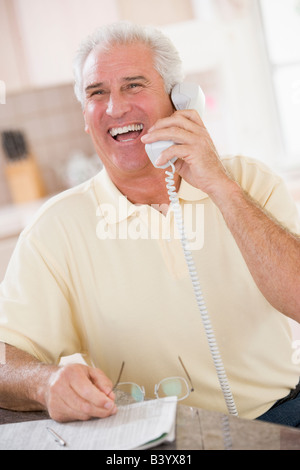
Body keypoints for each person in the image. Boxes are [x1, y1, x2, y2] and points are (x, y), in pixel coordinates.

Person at [0, 22, 299, 427]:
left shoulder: (249, 183)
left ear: (180, 101)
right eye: (96, 92)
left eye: (133, 85)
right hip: (151, 436)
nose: (114, 108)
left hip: (282, 414)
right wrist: (43, 382)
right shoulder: (55, 228)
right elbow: (5, 356)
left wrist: (220, 186)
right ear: (86, 118)